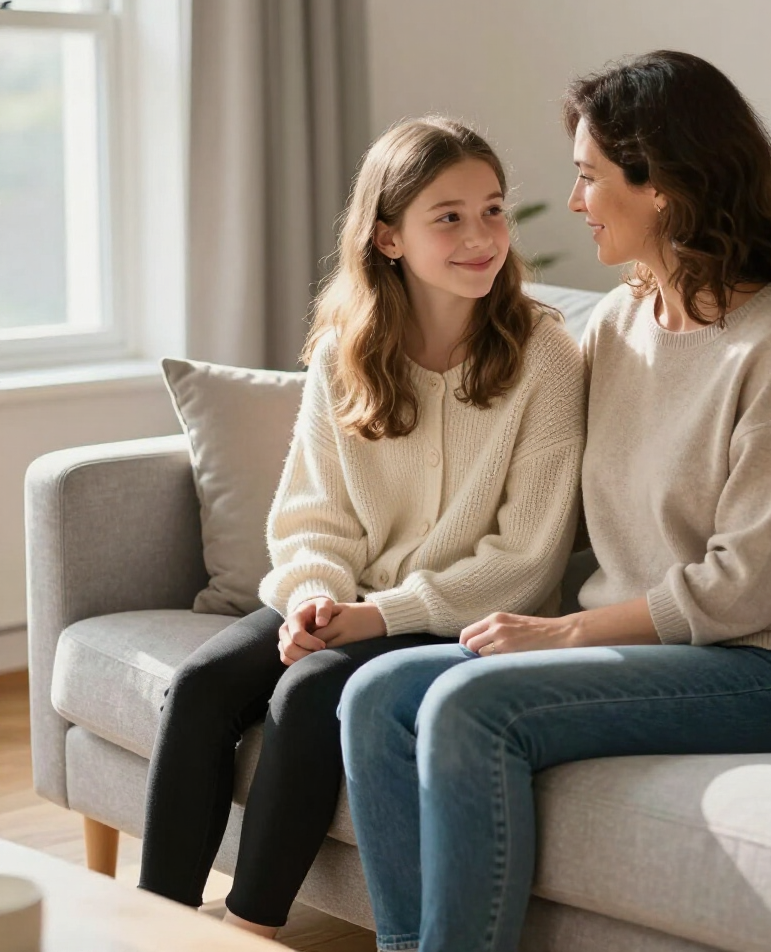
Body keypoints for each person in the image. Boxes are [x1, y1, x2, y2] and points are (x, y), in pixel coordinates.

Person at [339, 51, 771, 952]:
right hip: (655, 650)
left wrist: (562, 633)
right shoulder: (619, 325)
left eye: (589, 177)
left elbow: (746, 587)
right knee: (376, 692)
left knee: (472, 707)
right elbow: (536, 479)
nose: (576, 200)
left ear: (658, 185)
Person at [137, 116, 586, 938]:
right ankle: (154, 922)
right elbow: (313, 515)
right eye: (447, 216)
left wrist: (377, 616)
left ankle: (247, 926)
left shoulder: (545, 356)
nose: (480, 236)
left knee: (309, 693)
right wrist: (313, 599)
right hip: (348, 596)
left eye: (491, 209)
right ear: (387, 236)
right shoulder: (350, 348)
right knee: (202, 685)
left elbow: (525, 561)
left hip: (454, 614)